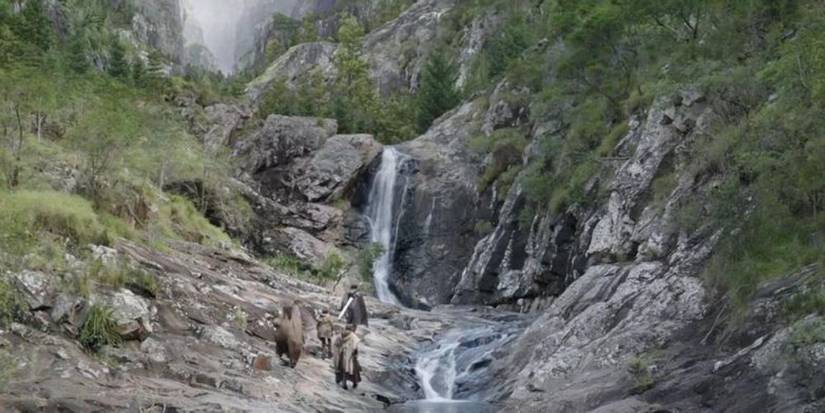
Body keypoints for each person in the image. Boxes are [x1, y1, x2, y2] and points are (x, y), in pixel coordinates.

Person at [333, 324, 361, 390]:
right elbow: (355, 347)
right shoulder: (353, 336)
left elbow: (336, 344)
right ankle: (353, 383)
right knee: (352, 369)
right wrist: (356, 354)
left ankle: (340, 380)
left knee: (341, 368)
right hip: (350, 356)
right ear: (352, 329)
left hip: (341, 354)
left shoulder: (340, 335)